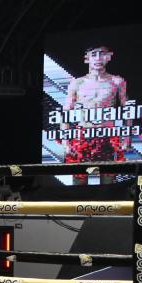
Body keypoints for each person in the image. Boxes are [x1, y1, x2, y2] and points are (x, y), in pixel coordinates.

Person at [61, 45, 131, 184]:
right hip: (83, 135)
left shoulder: (117, 81)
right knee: (79, 179)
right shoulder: (77, 83)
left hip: (107, 135)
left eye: (102, 53)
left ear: (108, 57)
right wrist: (65, 140)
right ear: (86, 59)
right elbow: (66, 112)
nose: (98, 58)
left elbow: (127, 110)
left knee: (108, 179)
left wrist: (127, 137)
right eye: (94, 54)